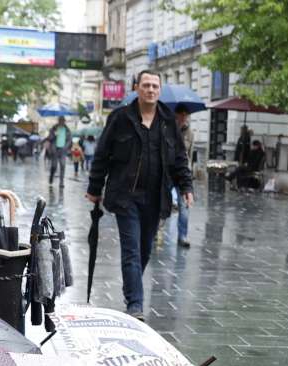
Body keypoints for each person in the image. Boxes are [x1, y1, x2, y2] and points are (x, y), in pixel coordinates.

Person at [86, 70, 194, 320]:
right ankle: (135, 304)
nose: (151, 90)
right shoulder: (120, 117)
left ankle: (131, 287)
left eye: (155, 86)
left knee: (145, 250)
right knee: (132, 249)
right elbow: (102, 155)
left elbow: (179, 158)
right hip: (126, 197)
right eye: (146, 85)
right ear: (136, 88)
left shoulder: (168, 121)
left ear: (160, 89)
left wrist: (186, 187)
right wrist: (94, 189)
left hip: (156, 198)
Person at [173, 110, 194, 248]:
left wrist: (189, 173)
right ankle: (155, 231)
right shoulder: (167, 129)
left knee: (184, 207)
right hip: (167, 172)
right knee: (159, 203)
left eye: (186, 115)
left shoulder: (189, 133)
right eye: (181, 115)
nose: (184, 117)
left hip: (182, 175)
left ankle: (183, 236)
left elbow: (189, 155)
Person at [46, 117, 70, 186]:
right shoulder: (54, 128)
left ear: (64, 121)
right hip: (55, 149)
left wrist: (66, 147)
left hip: (63, 150)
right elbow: (49, 138)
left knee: (63, 165)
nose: (62, 122)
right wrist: (54, 134)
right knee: (54, 166)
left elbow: (69, 140)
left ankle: (61, 182)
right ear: (58, 121)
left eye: (63, 121)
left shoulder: (67, 130)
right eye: (60, 120)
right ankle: (51, 176)